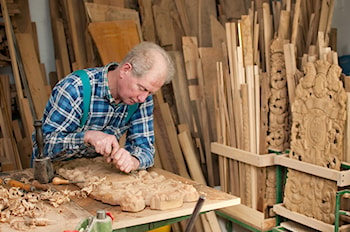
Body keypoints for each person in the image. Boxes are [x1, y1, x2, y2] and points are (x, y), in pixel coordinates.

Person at [31, 41, 175, 173]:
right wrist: (87, 137)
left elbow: (145, 148)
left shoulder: (141, 98)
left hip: (95, 171)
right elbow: (44, 147)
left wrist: (133, 160)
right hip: (54, 172)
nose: (143, 98)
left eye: (150, 92)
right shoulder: (75, 89)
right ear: (125, 70)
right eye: (142, 88)